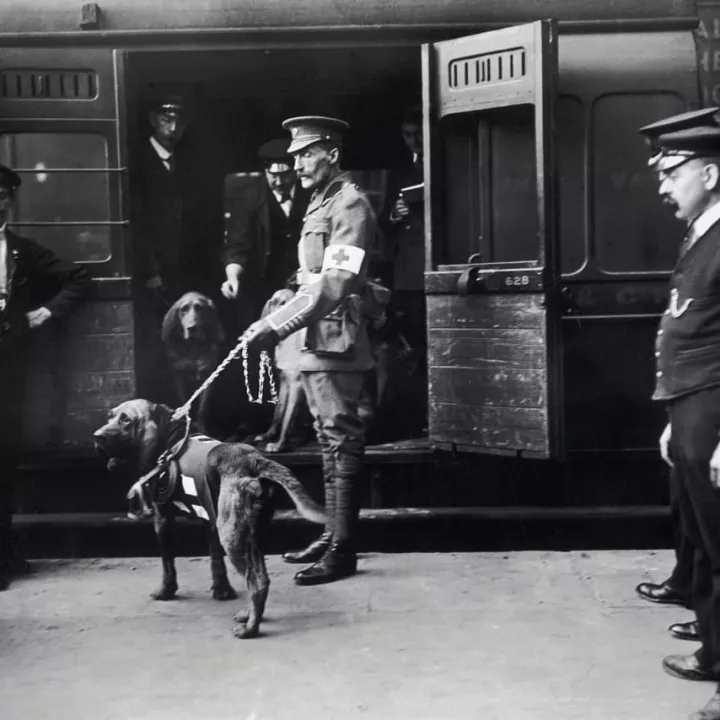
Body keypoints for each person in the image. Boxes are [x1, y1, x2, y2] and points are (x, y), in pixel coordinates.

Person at [241, 115, 379, 585]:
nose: (296, 162)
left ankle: (343, 549)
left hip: (337, 337)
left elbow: (339, 280)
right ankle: (333, 533)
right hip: (318, 335)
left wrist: (276, 325)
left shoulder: (351, 205)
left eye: (307, 153)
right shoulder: (321, 202)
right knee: (326, 436)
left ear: (332, 155)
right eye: (295, 154)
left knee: (341, 437)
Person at [641, 109, 720, 720]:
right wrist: (677, 416)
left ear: (711, 173)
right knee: (706, 538)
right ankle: (714, 653)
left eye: (673, 173)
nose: (663, 186)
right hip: (696, 407)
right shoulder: (702, 232)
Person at [0, 164, 91, 590]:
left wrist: (48, 311)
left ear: (8, 201)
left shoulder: (23, 251)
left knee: (3, 459)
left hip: (8, 367)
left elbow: (78, 279)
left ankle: (4, 556)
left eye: (1, 195)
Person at [221, 138, 311, 332]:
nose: (279, 182)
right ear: (265, 171)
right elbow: (237, 243)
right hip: (261, 286)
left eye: (286, 174)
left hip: (303, 286)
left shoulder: (311, 192)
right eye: (273, 175)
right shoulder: (248, 196)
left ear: (296, 169)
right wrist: (232, 277)